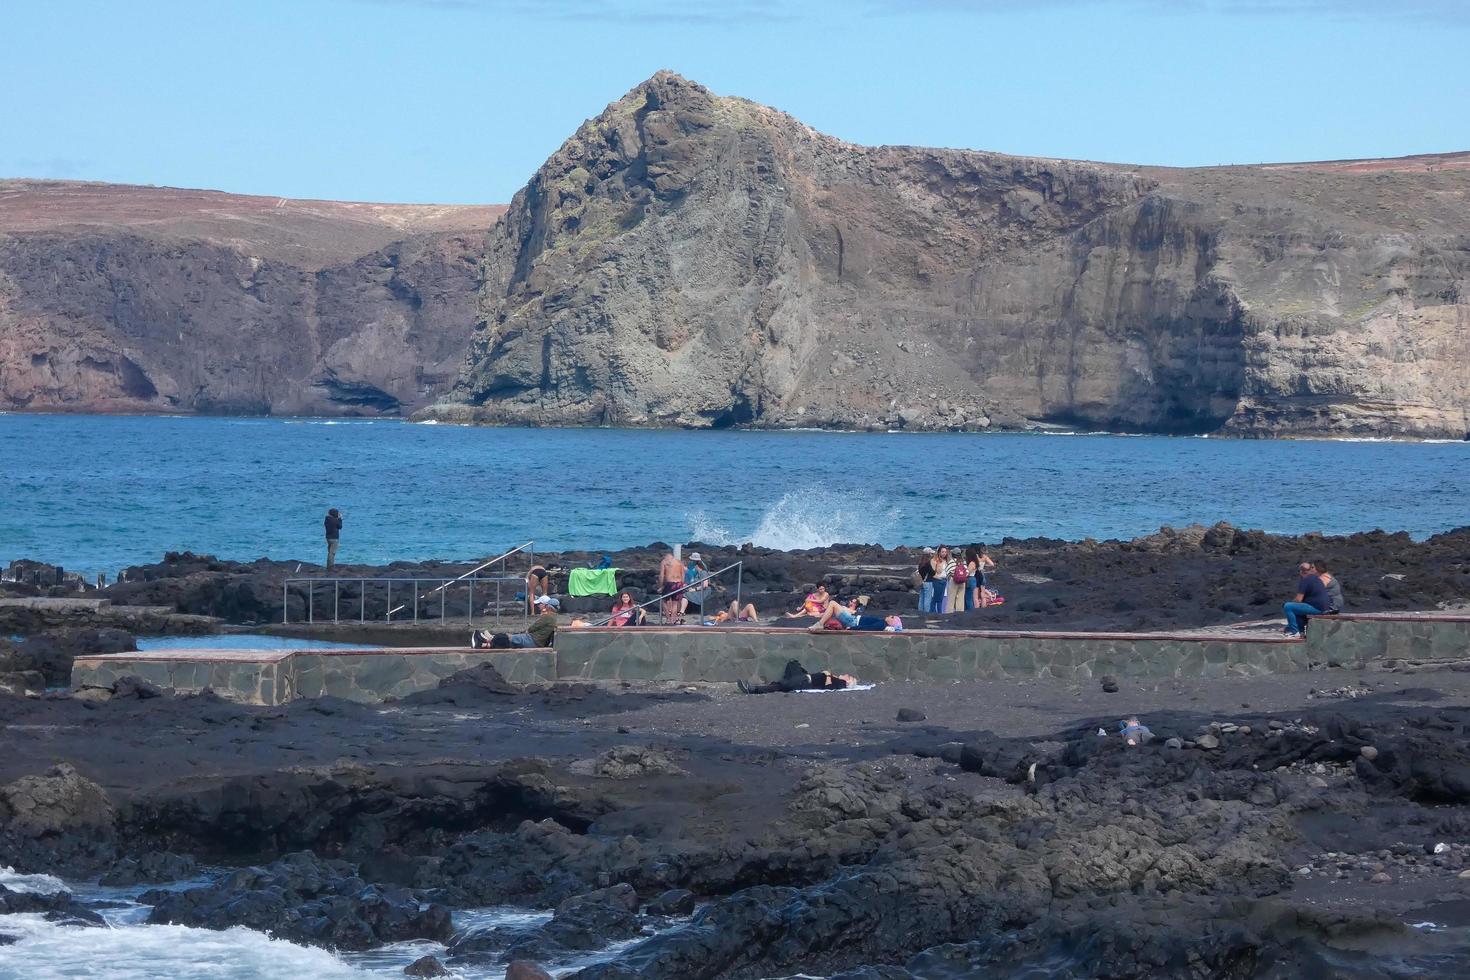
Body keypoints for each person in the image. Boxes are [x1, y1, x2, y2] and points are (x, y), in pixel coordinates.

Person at [472, 595, 560, 648]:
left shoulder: (548, 617)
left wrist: (527, 631)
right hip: (534, 639)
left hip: (532, 640)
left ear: (548, 607)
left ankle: (484, 642)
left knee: (507, 638)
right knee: (508, 637)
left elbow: (532, 628)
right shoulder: (552, 617)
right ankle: (488, 639)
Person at [737, 659, 859, 694]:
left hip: (805, 682)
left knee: (780, 685)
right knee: (793, 664)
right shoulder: (837, 680)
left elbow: (829, 686)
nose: (847, 675)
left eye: (849, 677)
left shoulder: (840, 683)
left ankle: (752, 689)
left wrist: (827, 675)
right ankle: (786, 682)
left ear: (848, 683)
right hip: (803, 678)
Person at [1282, 561, 1331, 637]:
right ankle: (1301, 633)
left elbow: (1298, 599)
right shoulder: (1316, 579)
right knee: (1296, 610)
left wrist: (1290, 603)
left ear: (1301, 572)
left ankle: (1294, 632)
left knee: (1288, 606)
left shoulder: (1306, 580)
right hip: (1325, 608)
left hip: (1318, 608)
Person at [809, 596, 904, 632]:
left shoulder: (881, 624)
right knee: (833, 606)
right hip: (853, 620)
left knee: (833, 603)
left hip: (853, 622)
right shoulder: (882, 622)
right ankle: (821, 623)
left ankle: (820, 624)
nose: (890, 615)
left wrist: (853, 628)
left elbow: (868, 628)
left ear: (892, 622)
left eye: (892, 617)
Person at [658, 550, 687, 624]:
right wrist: (682, 584)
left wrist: (661, 586)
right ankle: (673, 620)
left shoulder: (664, 562)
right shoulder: (679, 562)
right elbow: (683, 575)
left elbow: (661, 575)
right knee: (675, 603)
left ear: (666, 556)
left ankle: (668, 619)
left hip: (669, 583)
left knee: (663, 601)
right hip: (679, 583)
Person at [681, 552, 710, 618]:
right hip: (696, 587)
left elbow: (705, 585)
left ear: (697, 566)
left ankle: (681, 611)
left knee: (685, 594)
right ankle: (679, 611)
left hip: (702, 591)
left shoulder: (703, 572)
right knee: (682, 591)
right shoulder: (698, 571)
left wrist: (694, 589)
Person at [931, 546, 954, 613]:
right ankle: (933, 612)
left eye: (945, 552)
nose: (944, 553)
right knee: (935, 598)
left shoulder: (946, 560)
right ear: (939, 552)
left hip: (944, 580)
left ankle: (940, 613)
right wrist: (939, 563)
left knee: (941, 599)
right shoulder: (935, 560)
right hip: (937, 580)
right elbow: (933, 572)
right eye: (942, 552)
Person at [916, 547, 937, 612]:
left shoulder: (921, 563)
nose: (932, 555)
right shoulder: (928, 563)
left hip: (921, 582)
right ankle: (926, 613)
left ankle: (920, 612)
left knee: (921, 598)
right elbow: (932, 573)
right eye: (931, 554)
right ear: (928, 554)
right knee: (927, 599)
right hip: (928, 582)